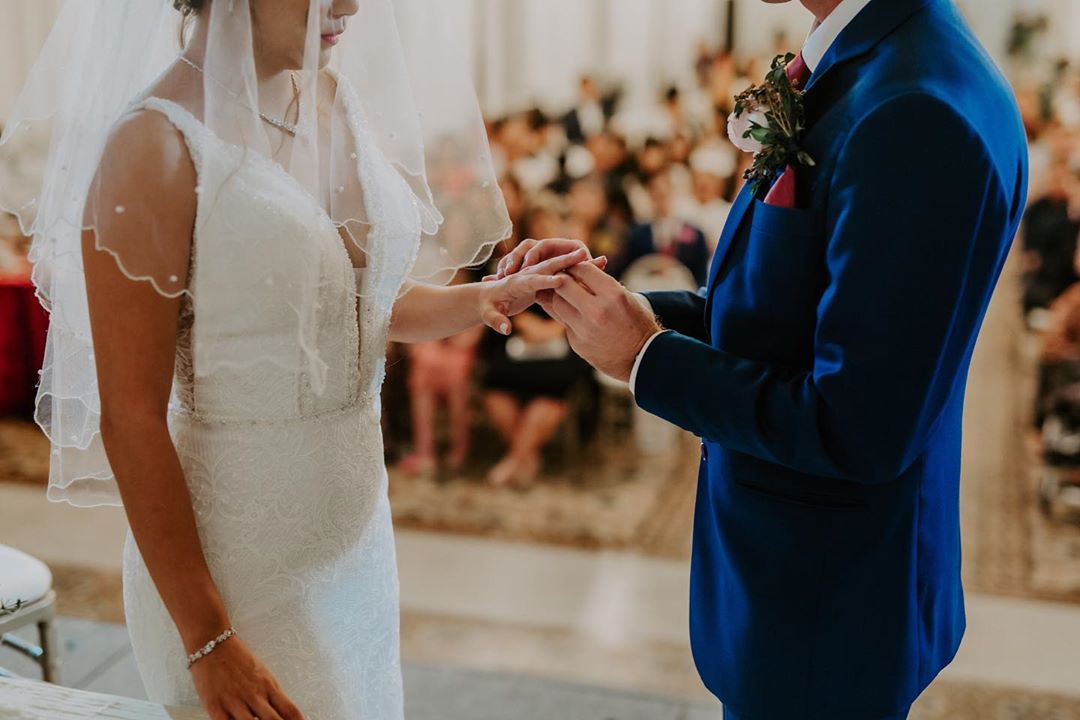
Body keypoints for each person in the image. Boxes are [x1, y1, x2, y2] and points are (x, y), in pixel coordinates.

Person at [0, 2, 592, 718]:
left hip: (358, 554)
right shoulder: (154, 146)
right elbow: (130, 417)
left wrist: (488, 298)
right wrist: (208, 639)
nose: (348, 5)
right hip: (238, 580)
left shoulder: (330, 98)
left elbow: (358, 301)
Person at [495, 0, 1029, 717]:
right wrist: (632, 313)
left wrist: (648, 360)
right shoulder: (872, 59)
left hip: (825, 606)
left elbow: (857, 427)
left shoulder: (916, 109)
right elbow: (790, 308)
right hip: (800, 588)